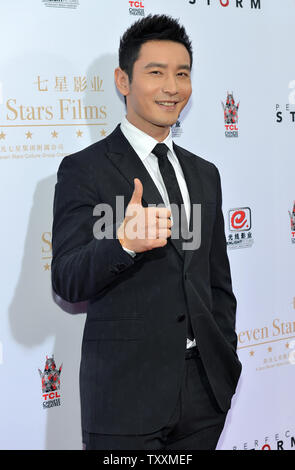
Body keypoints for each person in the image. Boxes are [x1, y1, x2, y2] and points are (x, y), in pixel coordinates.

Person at [51, 14, 242, 450]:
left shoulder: (204, 173)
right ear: (123, 80)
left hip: (204, 393)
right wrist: (122, 244)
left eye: (182, 73)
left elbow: (217, 281)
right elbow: (65, 278)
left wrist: (225, 358)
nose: (171, 87)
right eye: (155, 73)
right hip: (125, 397)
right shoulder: (85, 170)